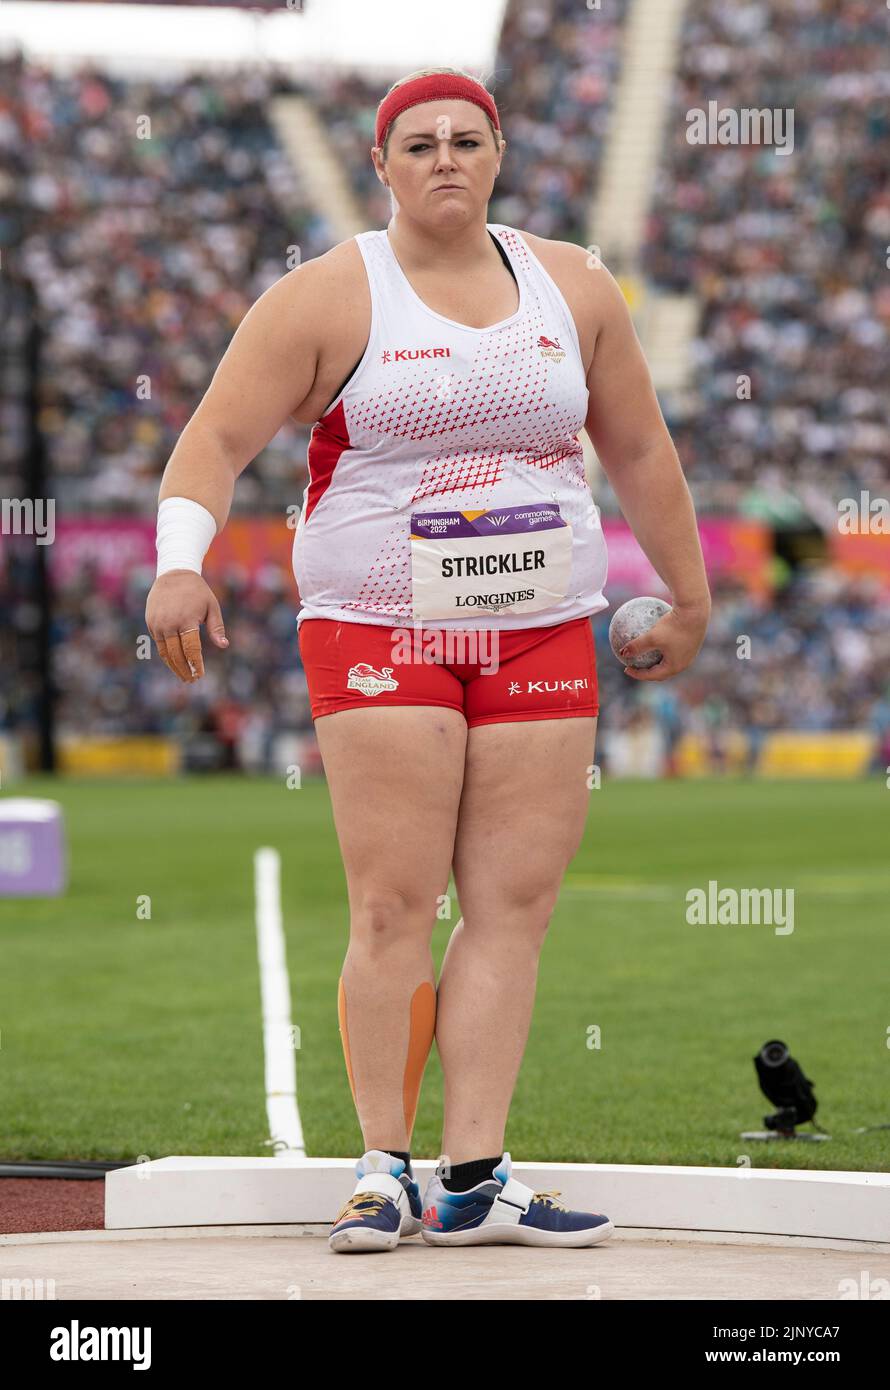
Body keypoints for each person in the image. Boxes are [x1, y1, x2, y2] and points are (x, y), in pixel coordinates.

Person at [145, 67, 710, 1253]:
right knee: (396, 899)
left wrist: (689, 592)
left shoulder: (573, 286)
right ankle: (381, 1168)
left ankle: (476, 1176)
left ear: (497, 153)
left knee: (513, 901)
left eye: (465, 138)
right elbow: (213, 438)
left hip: (541, 621)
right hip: (378, 624)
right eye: (418, 143)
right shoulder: (325, 297)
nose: (443, 156)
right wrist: (177, 562)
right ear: (382, 165)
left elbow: (641, 449)